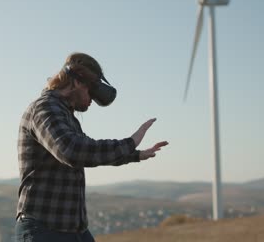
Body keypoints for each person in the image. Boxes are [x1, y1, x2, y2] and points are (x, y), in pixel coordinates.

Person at [15, 52, 168, 242]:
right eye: (91, 92)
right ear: (78, 82)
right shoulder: (44, 109)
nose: (91, 102)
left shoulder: (64, 115)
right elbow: (72, 151)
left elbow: (89, 150)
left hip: (72, 229)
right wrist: (130, 142)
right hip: (44, 230)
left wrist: (135, 154)